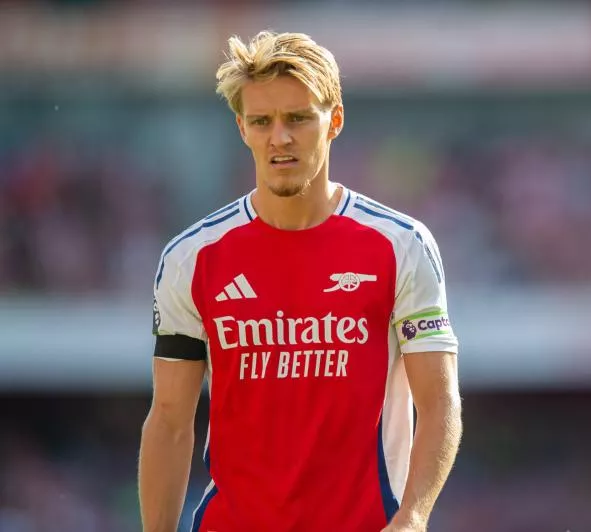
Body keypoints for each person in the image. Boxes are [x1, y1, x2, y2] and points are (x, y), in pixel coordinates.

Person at [138, 30, 462, 532]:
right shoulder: (191, 258)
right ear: (242, 128)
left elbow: (439, 402)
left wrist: (413, 517)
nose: (279, 137)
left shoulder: (401, 246)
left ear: (334, 120)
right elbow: (169, 419)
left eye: (298, 118)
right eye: (262, 121)